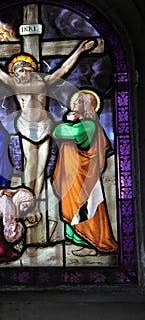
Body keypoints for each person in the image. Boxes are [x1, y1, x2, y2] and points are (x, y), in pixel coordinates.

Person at [0, 40, 95, 226]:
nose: (23, 73)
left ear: (31, 70)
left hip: (44, 126)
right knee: (30, 167)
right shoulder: (14, 84)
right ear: (15, 73)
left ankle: (34, 205)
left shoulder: (44, 82)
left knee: (41, 168)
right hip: (27, 128)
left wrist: (80, 50)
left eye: (26, 69)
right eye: (19, 71)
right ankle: (26, 205)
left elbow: (64, 69)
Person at [52, 89, 118, 256]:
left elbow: (62, 133)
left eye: (78, 102)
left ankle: (92, 243)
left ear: (87, 106)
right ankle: (80, 241)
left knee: (85, 208)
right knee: (73, 207)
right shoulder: (83, 124)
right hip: (73, 175)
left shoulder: (88, 125)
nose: (73, 105)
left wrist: (67, 122)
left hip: (83, 177)